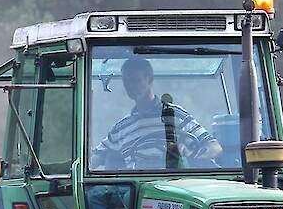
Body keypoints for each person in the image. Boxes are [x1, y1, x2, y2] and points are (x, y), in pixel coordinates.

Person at [91, 56, 223, 171]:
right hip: (135, 190)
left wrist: (191, 156)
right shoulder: (121, 127)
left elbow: (214, 147)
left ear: (149, 79)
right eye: (127, 81)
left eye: (136, 80)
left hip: (175, 184)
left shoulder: (174, 114)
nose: (131, 86)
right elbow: (94, 158)